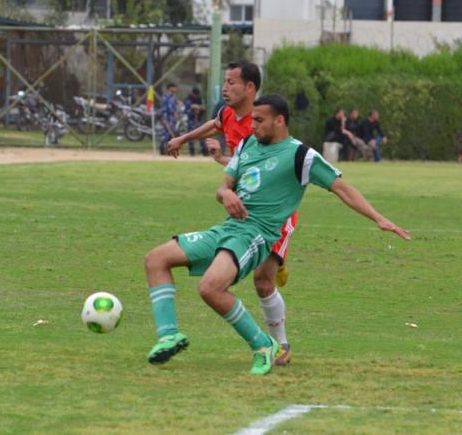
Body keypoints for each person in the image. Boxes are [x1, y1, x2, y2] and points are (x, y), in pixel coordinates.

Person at [144, 94, 410, 374]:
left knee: (210, 287)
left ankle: (264, 345)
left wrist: (379, 218)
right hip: (227, 229)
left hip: (255, 234)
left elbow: (342, 188)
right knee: (155, 259)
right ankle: (169, 335)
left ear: (279, 120)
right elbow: (223, 187)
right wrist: (226, 196)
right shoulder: (247, 145)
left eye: (259, 120)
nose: (253, 126)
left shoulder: (301, 155)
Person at [166, 61, 296, 366]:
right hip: (246, 210)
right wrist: (186, 140)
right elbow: (216, 126)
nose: (225, 88)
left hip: (275, 212)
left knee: (263, 282)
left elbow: (274, 167)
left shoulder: (266, 122)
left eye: (232, 82)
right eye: (224, 82)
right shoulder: (227, 115)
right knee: (255, 280)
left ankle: (281, 347)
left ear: (250, 88)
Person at [183, 87, 208, 156]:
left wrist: (198, 107)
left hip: (199, 119)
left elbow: (203, 107)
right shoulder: (188, 98)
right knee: (191, 135)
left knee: (202, 135)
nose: (196, 96)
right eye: (195, 94)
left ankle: (204, 151)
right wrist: (195, 107)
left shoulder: (199, 99)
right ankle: (192, 151)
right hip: (191, 119)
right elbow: (189, 106)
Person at [158, 83, 179, 155]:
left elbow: (173, 107)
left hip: (172, 119)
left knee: (170, 135)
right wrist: (164, 119)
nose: (176, 89)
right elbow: (165, 109)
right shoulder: (166, 97)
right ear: (170, 88)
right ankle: (162, 150)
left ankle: (169, 151)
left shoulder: (173, 97)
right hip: (167, 119)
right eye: (174, 87)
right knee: (165, 134)